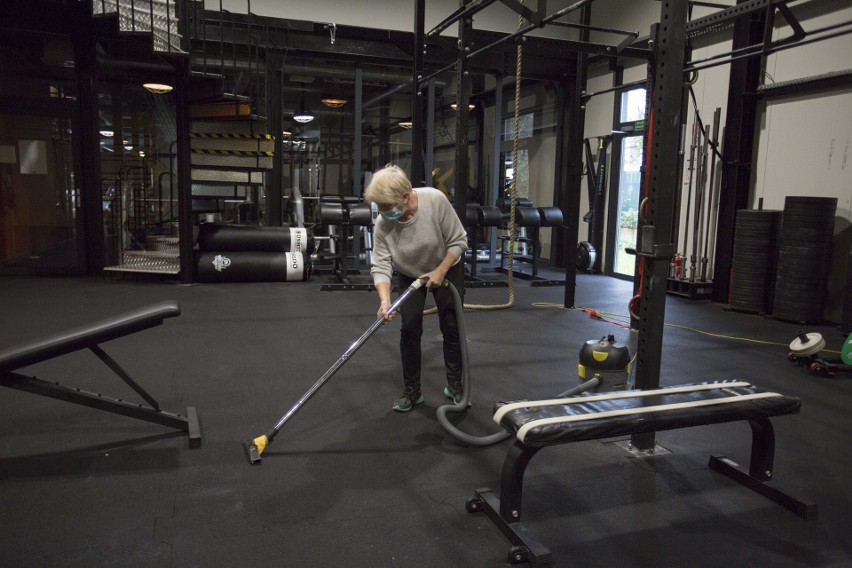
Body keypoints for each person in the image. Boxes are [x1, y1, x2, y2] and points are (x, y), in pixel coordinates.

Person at [364, 164, 468, 412]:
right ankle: (412, 391)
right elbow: (380, 264)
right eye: (380, 207)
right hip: (409, 272)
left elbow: (459, 241)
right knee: (409, 329)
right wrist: (385, 301)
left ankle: (455, 386)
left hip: (446, 265)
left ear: (405, 195)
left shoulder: (435, 200)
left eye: (387, 207)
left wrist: (440, 271)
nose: (383, 212)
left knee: (451, 325)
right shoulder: (383, 223)